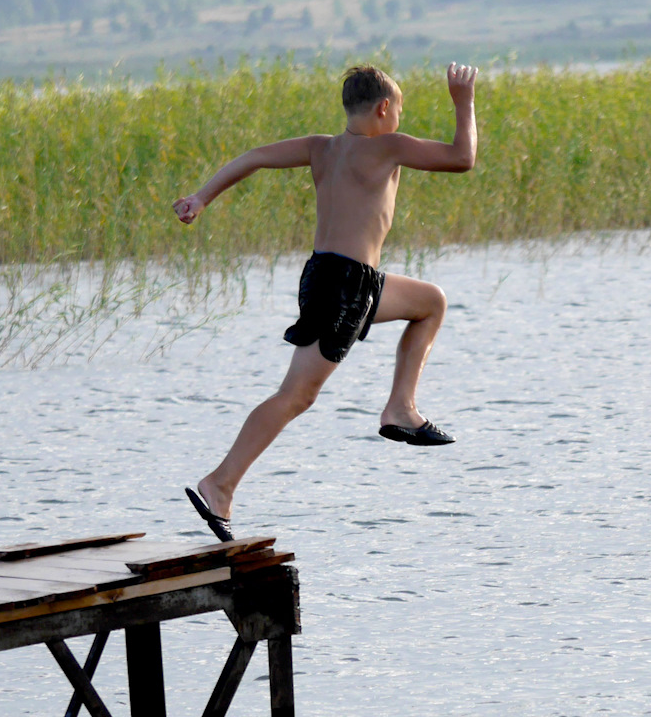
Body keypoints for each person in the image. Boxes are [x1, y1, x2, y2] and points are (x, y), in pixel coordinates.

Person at [173, 62, 479, 541]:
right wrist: (463, 102)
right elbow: (463, 158)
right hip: (344, 285)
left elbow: (252, 156)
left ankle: (401, 408)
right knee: (296, 395)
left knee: (430, 302)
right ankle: (220, 484)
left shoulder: (321, 147)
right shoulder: (389, 147)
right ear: (384, 108)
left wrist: (201, 197)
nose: (399, 118)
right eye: (399, 109)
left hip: (340, 277)